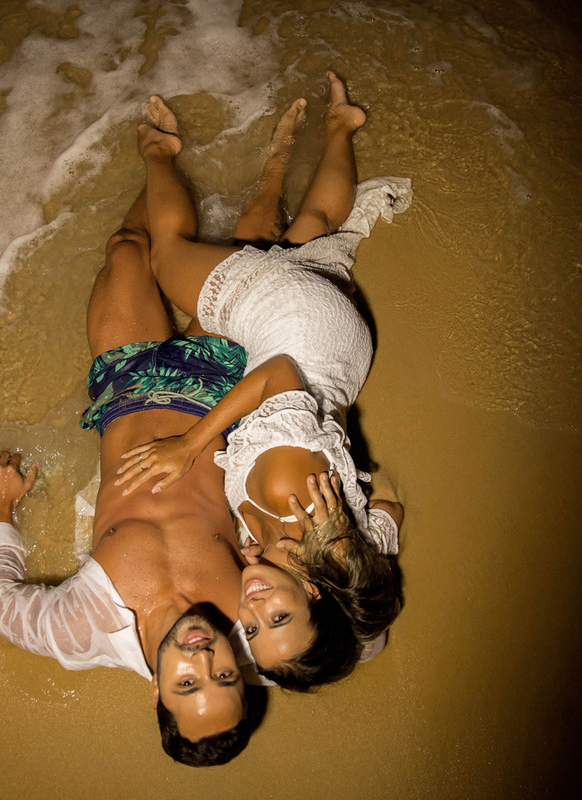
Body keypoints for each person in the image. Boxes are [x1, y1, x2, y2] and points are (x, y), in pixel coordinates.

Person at [113, 73, 409, 689]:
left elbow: (389, 510)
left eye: (252, 630)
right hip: (294, 333)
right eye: (277, 615)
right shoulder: (287, 494)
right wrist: (188, 445)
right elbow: (275, 376)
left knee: (318, 224)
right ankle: (158, 151)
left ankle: (342, 125)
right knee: (168, 256)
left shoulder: (340, 548)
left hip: (340, 355)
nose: (248, 611)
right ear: (312, 591)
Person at [0, 177, 266, 766]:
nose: (204, 659)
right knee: (254, 253)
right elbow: (361, 641)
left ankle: (159, 152)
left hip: (126, 389)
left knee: (128, 246)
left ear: (156, 691)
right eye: (224, 680)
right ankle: (272, 152)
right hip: (218, 394)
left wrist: (1, 509)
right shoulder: (257, 633)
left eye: (187, 684)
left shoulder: (86, 630)